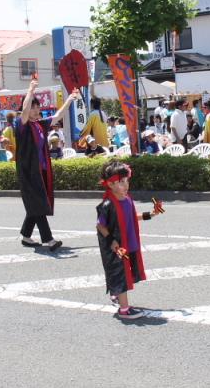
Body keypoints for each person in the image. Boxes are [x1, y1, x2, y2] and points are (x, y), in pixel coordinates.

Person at [15, 78, 79, 251]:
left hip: (41, 171)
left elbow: (57, 115)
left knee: (36, 204)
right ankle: (49, 240)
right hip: (29, 172)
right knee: (39, 204)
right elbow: (25, 111)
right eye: (33, 107)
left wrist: (70, 99)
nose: (36, 110)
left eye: (37, 107)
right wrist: (30, 90)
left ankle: (26, 235)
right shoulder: (21, 126)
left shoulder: (39, 125)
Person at [96, 161, 165, 320]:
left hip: (129, 242)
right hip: (117, 246)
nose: (125, 185)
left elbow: (133, 217)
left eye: (126, 180)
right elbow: (100, 225)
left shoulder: (127, 199)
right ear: (110, 184)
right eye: (121, 182)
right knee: (121, 273)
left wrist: (152, 214)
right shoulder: (107, 204)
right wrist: (112, 240)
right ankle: (124, 310)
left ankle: (116, 294)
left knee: (126, 272)